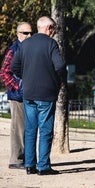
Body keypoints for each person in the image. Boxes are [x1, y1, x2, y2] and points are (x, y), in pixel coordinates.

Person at [11, 16, 66, 175]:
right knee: (45, 130)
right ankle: (43, 166)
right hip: (46, 93)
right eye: (54, 29)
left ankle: (29, 165)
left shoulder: (25, 44)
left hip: (29, 93)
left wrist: (26, 76)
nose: (55, 33)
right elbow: (60, 66)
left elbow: (14, 66)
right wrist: (56, 80)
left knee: (30, 129)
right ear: (49, 28)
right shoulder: (51, 44)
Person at [0, 22, 32, 169]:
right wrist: (18, 87)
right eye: (26, 33)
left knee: (27, 128)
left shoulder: (29, 47)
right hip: (17, 96)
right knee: (18, 128)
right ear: (18, 34)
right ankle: (16, 160)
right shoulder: (14, 50)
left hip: (28, 93)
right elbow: (4, 72)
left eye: (31, 33)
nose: (29, 36)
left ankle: (27, 159)